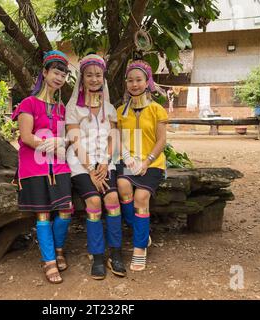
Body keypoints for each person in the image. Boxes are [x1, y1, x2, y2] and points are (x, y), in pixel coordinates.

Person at [12, 50, 72, 284]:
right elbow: (26, 137)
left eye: (63, 75)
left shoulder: (62, 109)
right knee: (44, 213)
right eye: (56, 72)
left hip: (59, 166)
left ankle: (58, 249)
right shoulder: (29, 103)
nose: (59, 78)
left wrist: (63, 141)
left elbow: (68, 138)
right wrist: (52, 143)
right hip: (33, 166)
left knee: (65, 210)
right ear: (45, 73)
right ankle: (49, 260)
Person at [65, 54, 126, 280]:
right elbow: (75, 140)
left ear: (103, 78)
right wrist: (91, 168)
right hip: (81, 164)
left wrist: (105, 163)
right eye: (89, 75)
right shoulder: (74, 108)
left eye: (98, 75)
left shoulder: (109, 108)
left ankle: (116, 254)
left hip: (105, 162)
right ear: (82, 79)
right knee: (93, 201)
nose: (93, 79)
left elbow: (113, 139)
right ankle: (98, 256)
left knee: (112, 199)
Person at [116, 60, 168, 271]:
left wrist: (147, 162)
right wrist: (127, 157)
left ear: (147, 82)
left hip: (153, 162)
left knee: (141, 197)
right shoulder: (121, 111)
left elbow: (161, 141)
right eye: (130, 80)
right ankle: (142, 232)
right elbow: (117, 139)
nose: (134, 84)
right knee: (123, 187)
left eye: (138, 80)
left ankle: (139, 248)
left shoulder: (157, 110)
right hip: (129, 160)